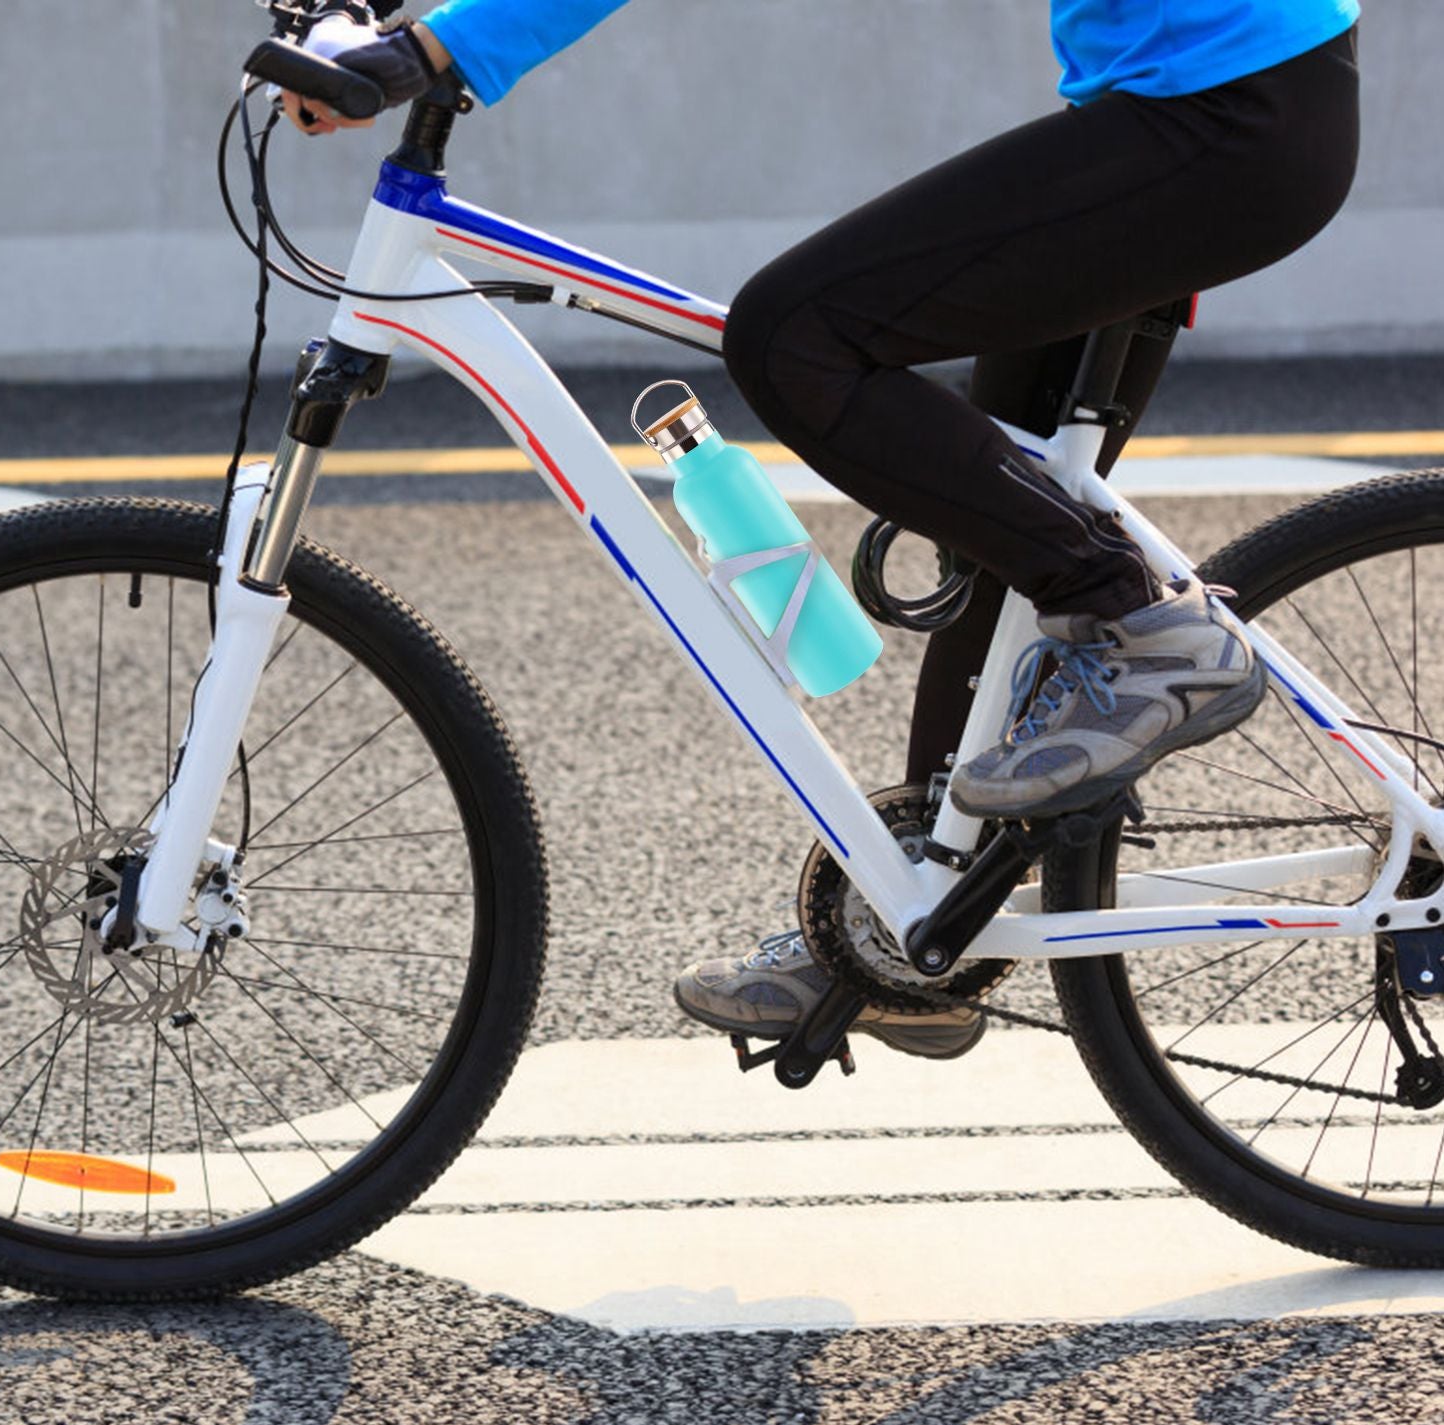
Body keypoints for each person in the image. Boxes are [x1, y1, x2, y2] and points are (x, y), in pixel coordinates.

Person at [286, 1, 1362, 1059]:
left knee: (795, 336)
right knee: (999, 511)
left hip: (1222, 119)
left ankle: (1149, 629)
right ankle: (906, 921)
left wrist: (438, 47)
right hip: (1213, 110)